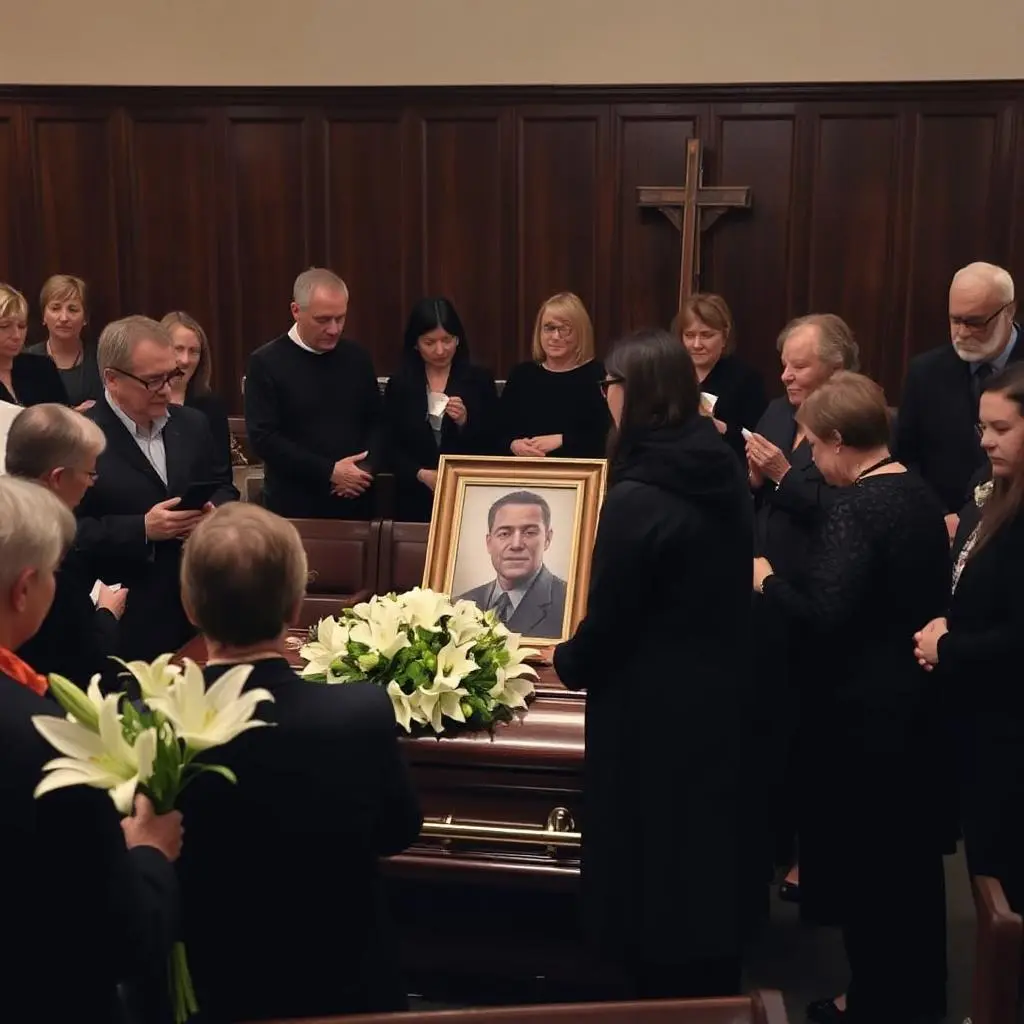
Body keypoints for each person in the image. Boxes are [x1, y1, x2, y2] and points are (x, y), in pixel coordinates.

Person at [548, 329, 751, 1000]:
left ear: (633, 393)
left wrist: (565, 661)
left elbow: (613, 614)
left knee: (646, 856)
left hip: (648, 703)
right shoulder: (711, 462)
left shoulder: (639, 490)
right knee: (695, 848)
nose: (604, 395)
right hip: (713, 692)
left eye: (608, 383)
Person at [755, 372, 952, 1024]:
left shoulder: (857, 508)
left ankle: (870, 1002)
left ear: (842, 441)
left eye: (813, 443)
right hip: (913, 710)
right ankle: (905, 998)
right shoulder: (917, 493)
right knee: (908, 880)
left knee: (872, 881)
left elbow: (822, 613)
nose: (808, 456)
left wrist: (767, 582)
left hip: (861, 719)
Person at [177, 501, 421, 1020]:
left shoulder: (149, 722)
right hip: (341, 988)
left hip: (206, 991)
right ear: (295, 606)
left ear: (190, 607)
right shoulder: (359, 711)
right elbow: (399, 829)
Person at [0, 475, 182, 1022]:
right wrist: (150, 851)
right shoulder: (47, 740)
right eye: (58, 574)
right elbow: (120, 940)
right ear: (24, 588)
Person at [745, 312, 860, 903]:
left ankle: (810, 857)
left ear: (835, 366)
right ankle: (769, 844)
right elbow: (754, 489)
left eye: (800, 364)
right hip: (762, 592)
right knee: (767, 728)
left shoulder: (853, 420)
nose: (786, 375)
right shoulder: (772, 411)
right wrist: (753, 476)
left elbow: (845, 508)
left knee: (811, 736)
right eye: (784, 362)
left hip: (812, 596)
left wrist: (783, 474)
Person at [914, 363, 1024, 914]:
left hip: (1011, 731)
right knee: (985, 871)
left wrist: (948, 646)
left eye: (1002, 428)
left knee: (1005, 878)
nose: (986, 440)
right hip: (980, 719)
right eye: (983, 427)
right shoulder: (993, 486)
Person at [75, 315, 238, 663]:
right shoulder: (79, 439)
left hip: (197, 607)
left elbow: (222, 487)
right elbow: (62, 533)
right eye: (153, 381)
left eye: (172, 376)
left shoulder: (192, 424)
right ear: (112, 379)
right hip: (123, 621)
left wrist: (213, 515)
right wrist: (141, 529)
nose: (166, 389)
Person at [245, 267, 384, 519]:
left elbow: (377, 421)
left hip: (357, 503)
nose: (334, 329)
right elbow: (264, 438)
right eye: (323, 320)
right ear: (296, 311)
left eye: (340, 318)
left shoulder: (357, 357)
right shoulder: (266, 363)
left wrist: (363, 470)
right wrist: (329, 471)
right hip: (295, 508)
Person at [7, 404, 127, 689]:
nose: (92, 484)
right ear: (58, 477)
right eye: (89, 473)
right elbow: (82, 666)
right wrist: (107, 614)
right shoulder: (47, 548)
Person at [897, 262, 1021, 536]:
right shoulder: (925, 372)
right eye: (956, 320)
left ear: (1008, 311)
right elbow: (906, 457)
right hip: (940, 529)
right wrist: (940, 515)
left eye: (975, 322)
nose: (962, 333)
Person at [383, 297, 499, 522]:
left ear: (458, 340)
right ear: (416, 343)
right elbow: (389, 446)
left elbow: (493, 442)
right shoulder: (400, 384)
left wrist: (465, 422)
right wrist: (421, 474)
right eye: (430, 342)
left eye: (447, 340)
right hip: (413, 498)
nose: (440, 350)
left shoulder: (479, 380)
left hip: (467, 495)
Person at [499, 291, 610, 459]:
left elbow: (607, 436)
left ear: (581, 332)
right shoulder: (522, 375)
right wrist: (513, 445)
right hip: (524, 472)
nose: (555, 337)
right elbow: (498, 431)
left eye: (564, 329)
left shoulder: (599, 376)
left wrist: (563, 440)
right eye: (549, 328)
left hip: (579, 475)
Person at [456, 490, 568, 639]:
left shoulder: (569, 605)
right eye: (504, 533)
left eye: (529, 532)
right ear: (489, 543)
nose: (516, 545)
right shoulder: (459, 604)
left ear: (547, 539)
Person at [676, 292, 767, 460]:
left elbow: (759, 441)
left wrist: (721, 428)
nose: (696, 345)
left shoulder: (746, 380)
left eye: (706, 335)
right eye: (689, 335)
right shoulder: (670, 375)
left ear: (724, 337)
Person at [161, 311, 233, 479]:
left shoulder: (211, 406)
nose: (185, 360)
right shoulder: (143, 401)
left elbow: (222, 479)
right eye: (178, 349)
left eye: (194, 351)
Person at [27, 273, 103, 409]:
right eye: (55, 308)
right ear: (43, 316)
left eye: (72, 309)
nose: (63, 318)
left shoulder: (102, 359)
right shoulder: (26, 360)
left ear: (85, 318)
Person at [0, 282, 68, 407]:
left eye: (21, 326)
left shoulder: (42, 368)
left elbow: (62, 418)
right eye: (4, 326)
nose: (16, 335)